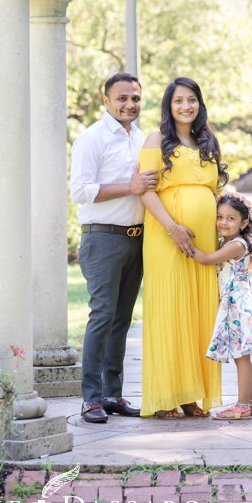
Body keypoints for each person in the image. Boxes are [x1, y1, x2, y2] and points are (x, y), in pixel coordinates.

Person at [68, 73, 160, 425]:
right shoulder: (91, 138)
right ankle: (90, 399)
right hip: (102, 238)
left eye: (135, 98)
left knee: (121, 320)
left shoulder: (142, 138)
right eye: (122, 98)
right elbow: (80, 191)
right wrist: (130, 186)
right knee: (102, 316)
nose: (129, 104)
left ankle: (112, 394)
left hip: (137, 239)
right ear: (105, 100)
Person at [137, 77, 227, 419]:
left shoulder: (208, 141)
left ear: (199, 104)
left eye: (191, 100)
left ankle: (191, 395)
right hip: (166, 236)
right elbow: (145, 191)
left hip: (203, 240)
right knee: (171, 309)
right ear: (168, 106)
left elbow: (214, 190)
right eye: (179, 101)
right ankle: (165, 397)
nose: (186, 106)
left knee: (198, 312)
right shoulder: (156, 140)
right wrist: (173, 227)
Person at [188, 192, 252, 420]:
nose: (223, 223)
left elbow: (207, 259)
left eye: (231, 218)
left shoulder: (237, 245)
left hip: (238, 304)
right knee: (243, 356)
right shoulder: (228, 242)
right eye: (220, 217)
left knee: (241, 357)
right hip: (236, 302)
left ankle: (241, 405)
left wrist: (184, 244)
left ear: (244, 222)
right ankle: (250, 402)